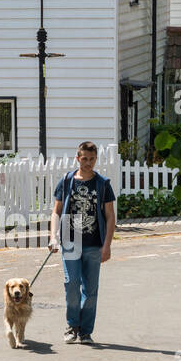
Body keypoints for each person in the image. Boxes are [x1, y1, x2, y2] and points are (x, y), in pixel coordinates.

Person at [48, 141, 116, 345]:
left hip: (94, 242)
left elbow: (110, 216)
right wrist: (53, 236)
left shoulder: (102, 184)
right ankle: (72, 326)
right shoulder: (67, 181)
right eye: (84, 158)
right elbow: (56, 212)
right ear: (77, 158)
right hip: (70, 240)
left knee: (91, 289)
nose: (88, 163)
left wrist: (107, 245)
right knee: (72, 284)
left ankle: (85, 331)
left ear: (96, 159)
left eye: (92, 159)